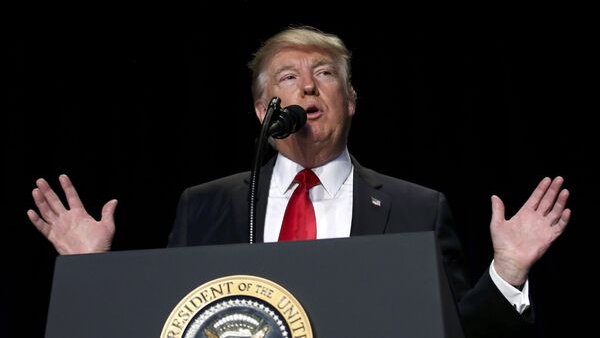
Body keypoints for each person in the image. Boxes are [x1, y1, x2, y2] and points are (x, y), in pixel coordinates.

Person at [27, 26, 571, 338]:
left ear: (351, 102)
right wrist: (90, 275)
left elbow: (453, 330)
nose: (308, 87)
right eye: (289, 78)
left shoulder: (416, 207)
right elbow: (175, 320)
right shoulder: (207, 205)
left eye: (325, 74)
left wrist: (507, 273)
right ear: (265, 109)